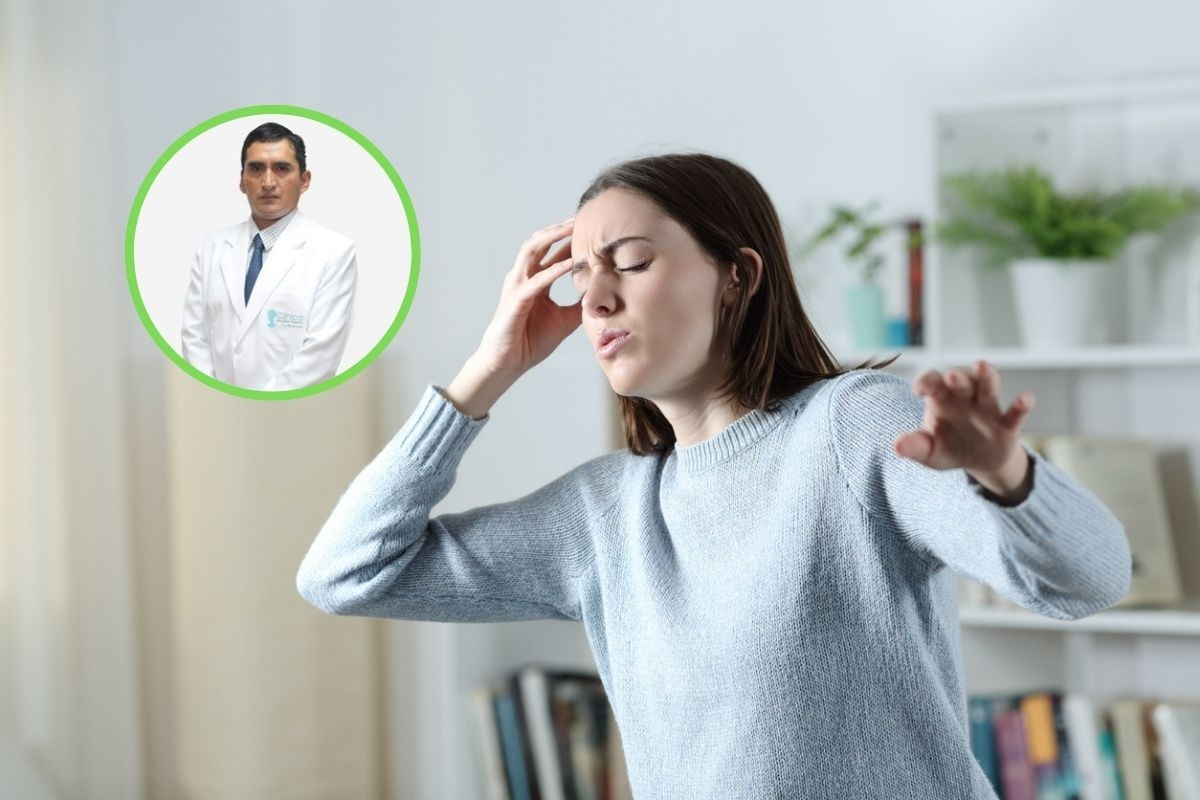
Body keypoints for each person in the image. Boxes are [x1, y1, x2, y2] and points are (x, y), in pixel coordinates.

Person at [296, 153, 1131, 798]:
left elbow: (1087, 581)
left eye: (629, 261)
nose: (595, 299)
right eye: (581, 276)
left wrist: (1005, 472)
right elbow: (345, 573)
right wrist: (489, 369)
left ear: (738, 275)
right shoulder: (604, 515)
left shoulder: (850, 427)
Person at [181, 122, 357, 391]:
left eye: (282, 168)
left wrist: (258, 406)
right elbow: (195, 338)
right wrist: (219, 400)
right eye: (256, 169)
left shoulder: (333, 251)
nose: (268, 182)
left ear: (304, 180)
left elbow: (319, 357)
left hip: (292, 408)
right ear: (242, 181)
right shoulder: (211, 248)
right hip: (217, 407)